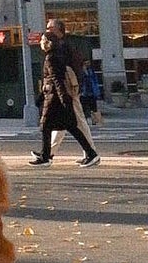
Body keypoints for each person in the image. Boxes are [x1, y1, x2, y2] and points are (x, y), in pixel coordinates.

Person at [31, 23, 100, 166]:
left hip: (65, 92)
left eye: (50, 28)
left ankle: (91, 152)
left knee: (76, 122)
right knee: (64, 125)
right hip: (61, 93)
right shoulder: (60, 48)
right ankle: (48, 153)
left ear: (58, 31)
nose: (47, 30)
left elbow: (59, 77)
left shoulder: (62, 48)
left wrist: (68, 95)